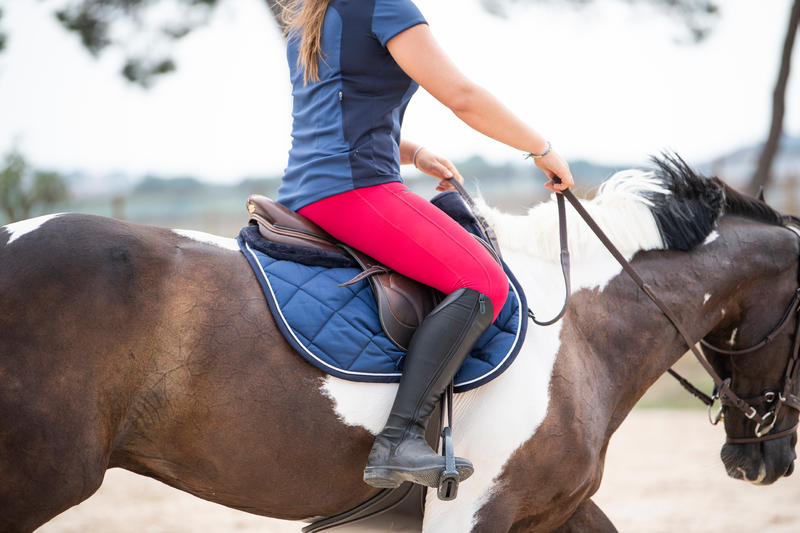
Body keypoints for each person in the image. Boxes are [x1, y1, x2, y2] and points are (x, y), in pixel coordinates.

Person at [278, 0, 575, 490]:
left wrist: (413, 153)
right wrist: (540, 149)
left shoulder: (312, 15)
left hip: (303, 193)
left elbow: (332, 117)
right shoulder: (383, 6)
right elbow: (462, 96)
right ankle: (399, 438)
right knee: (483, 281)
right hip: (355, 191)